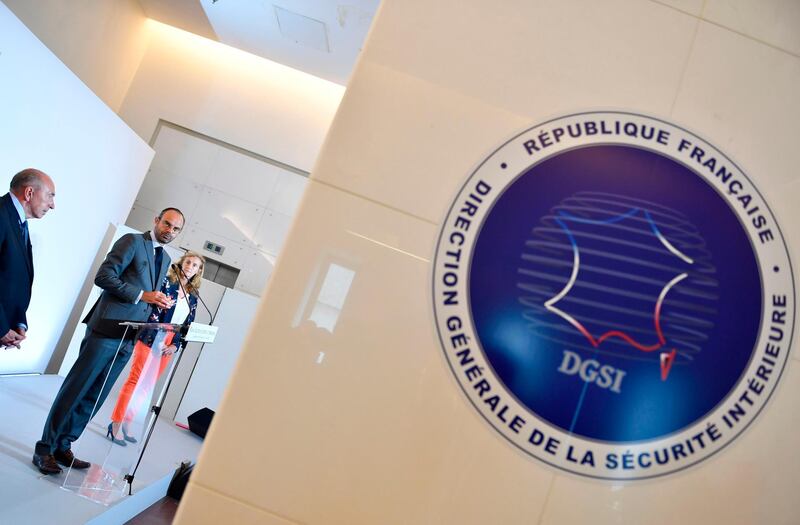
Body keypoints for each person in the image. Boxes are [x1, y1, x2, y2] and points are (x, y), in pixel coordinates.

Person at [32, 208, 184, 475]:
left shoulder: (167, 258)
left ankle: (64, 445)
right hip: (106, 329)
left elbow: (150, 295)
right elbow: (104, 276)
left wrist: (158, 302)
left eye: (175, 229)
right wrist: (141, 295)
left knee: (96, 395)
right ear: (156, 220)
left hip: (129, 336)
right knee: (76, 389)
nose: (169, 231)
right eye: (167, 224)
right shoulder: (133, 242)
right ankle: (44, 449)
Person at [107, 251, 203, 445]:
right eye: (188, 262)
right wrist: (158, 338)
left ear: (198, 271)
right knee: (135, 380)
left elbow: (188, 324)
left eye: (195, 265)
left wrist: (175, 345)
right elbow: (152, 311)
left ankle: (127, 422)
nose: (190, 267)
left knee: (146, 387)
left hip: (169, 342)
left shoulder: (193, 296)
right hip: (151, 336)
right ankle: (115, 423)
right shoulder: (166, 283)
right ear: (181, 263)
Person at [0, 169, 56, 349]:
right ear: (29, 192)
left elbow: (12, 278)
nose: (52, 205)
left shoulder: (19, 223)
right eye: (50, 196)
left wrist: (18, 321)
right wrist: (1, 328)